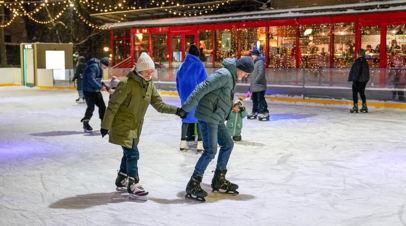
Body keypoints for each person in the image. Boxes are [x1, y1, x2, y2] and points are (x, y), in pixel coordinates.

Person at [100, 52, 181, 200]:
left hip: (136, 126)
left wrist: (177, 110)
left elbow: (159, 104)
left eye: (151, 72)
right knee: (133, 154)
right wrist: (105, 125)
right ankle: (133, 183)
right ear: (138, 70)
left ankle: (121, 178)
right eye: (146, 71)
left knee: (128, 153)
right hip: (122, 125)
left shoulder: (149, 85)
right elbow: (113, 105)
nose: (149, 74)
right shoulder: (126, 84)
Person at [177, 56, 254, 201]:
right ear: (240, 68)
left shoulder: (230, 76)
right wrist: (185, 108)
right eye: (245, 73)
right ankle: (193, 183)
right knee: (210, 151)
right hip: (208, 116)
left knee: (227, 144)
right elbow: (202, 88)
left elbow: (220, 96)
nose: (245, 76)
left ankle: (219, 179)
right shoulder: (223, 74)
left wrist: (231, 106)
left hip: (216, 116)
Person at [176, 44, 207, 153]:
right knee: (199, 118)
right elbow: (204, 82)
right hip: (197, 95)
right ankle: (200, 143)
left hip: (185, 96)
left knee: (185, 117)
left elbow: (178, 82)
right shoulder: (199, 65)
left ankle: (183, 142)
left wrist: (181, 95)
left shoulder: (182, 66)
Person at [81, 57, 110, 132]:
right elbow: (91, 79)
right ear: (102, 63)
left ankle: (104, 124)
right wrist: (100, 87)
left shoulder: (99, 68)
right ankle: (86, 122)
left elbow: (97, 80)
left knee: (102, 106)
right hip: (88, 90)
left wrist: (103, 85)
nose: (105, 68)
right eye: (105, 66)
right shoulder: (93, 67)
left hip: (95, 90)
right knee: (91, 107)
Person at [247, 49, 269, 121]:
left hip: (259, 84)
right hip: (254, 84)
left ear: (256, 55)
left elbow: (261, 72)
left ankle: (264, 112)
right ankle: (255, 111)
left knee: (260, 99)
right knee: (254, 99)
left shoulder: (260, 62)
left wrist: (256, 80)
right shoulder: (254, 62)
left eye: (252, 55)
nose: (251, 56)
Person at [348, 49, 370, 113]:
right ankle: (364, 105)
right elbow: (366, 72)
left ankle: (355, 106)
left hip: (358, 80)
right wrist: (366, 79)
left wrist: (354, 79)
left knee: (355, 93)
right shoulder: (365, 61)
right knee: (362, 93)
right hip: (363, 80)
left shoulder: (358, 61)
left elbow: (356, 71)